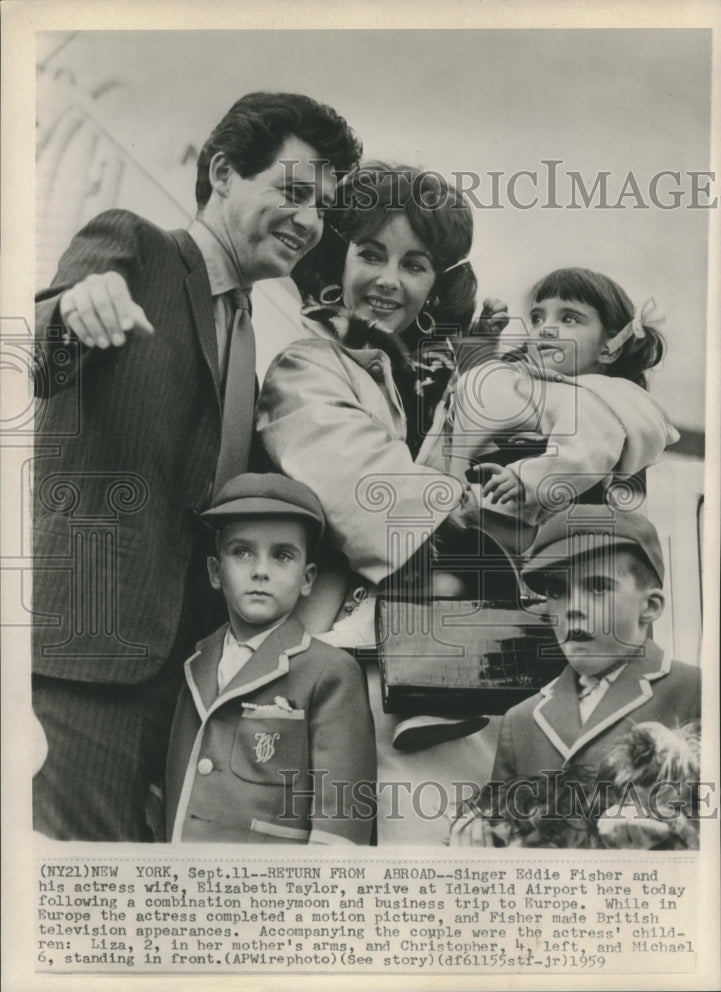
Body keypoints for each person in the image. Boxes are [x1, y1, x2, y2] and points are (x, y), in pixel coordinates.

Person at [32, 91, 361, 841]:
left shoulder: (249, 334)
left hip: (183, 677)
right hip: (85, 654)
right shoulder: (135, 247)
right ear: (221, 172)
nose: (311, 222)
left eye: (323, 207)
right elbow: (37, 352)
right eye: (294, 191)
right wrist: (77, 305)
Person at [256, 163, 512, 842]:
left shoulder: (404, 377)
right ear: (336, 257)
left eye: (414, 265)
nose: (387, 280)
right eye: (370, 254)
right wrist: (462, 506)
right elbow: (380, 502)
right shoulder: (308, 365)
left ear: (437, 284)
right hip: (358, 665)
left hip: (423, 659)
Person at [165, 473, 376, 844]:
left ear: (308, 578)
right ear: (216, 572)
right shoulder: (195, 662)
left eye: (282, 555)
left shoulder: (330, 672)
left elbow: (342, 824)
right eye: (242, 552)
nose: (260, 570)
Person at [490, 505, 701, 784]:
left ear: (650, 606)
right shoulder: (521, 721)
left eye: (598, 587)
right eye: (557, 592)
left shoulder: (697, 691)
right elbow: (498, 825)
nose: (573, 608)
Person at [449, 267, 679, 523]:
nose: (545, 328)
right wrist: (483, 341)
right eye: (537, 318)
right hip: (490, 508)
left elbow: (585, 452)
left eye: (568, 319)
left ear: (608, 349)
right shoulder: (529, 380)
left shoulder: (595, 398)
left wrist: (525, 477)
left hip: (540, 527)